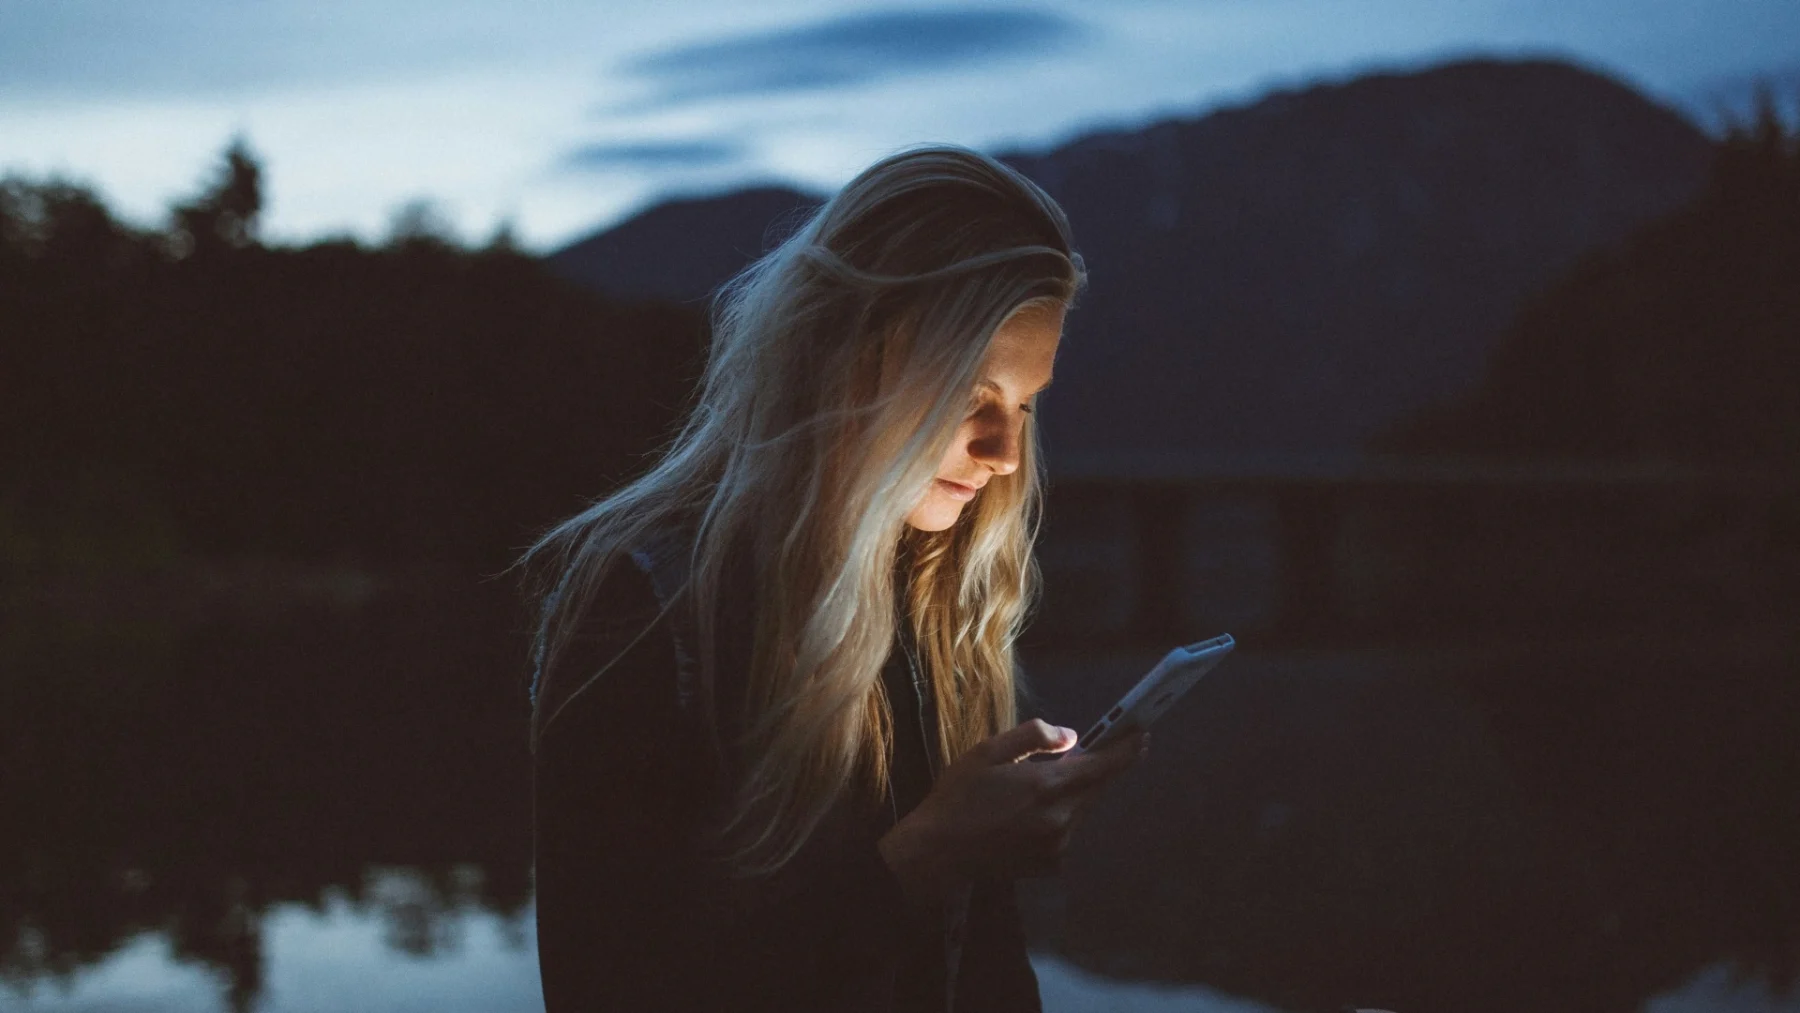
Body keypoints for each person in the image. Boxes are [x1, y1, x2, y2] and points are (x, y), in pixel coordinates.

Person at [519, 144, 1149, 1013]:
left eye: (1027, 404)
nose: (1006, 456)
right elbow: (608, 988)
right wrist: (930, 855)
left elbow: (984, 972)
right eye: (972, 395)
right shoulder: (642, 609)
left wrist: (973, 850)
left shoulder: (934, 597)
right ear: (848, 353)